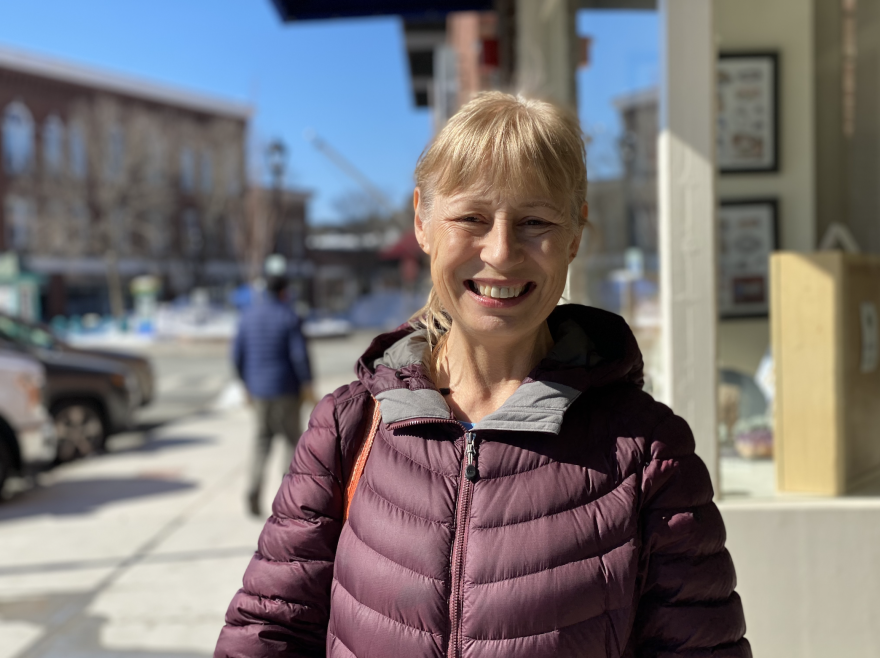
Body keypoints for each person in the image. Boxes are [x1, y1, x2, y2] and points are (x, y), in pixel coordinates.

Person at [216, 93, 750, 657]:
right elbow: (268, 633)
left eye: (535, 221)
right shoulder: (347, 429)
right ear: (422, 221)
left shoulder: (648, 455)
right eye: (471, 217)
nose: (500, 251)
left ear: (575, 234)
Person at [232, 274, 314, 518]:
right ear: (283, 292)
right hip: (286, 389)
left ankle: (254, 489)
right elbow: (299, 355)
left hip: (258, 391)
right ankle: (287, 500)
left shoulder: (247, 316)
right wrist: (307, 383)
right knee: (291, 443)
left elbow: (237, 355)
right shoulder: (288, 316)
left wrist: (245, 383)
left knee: (261, 441)